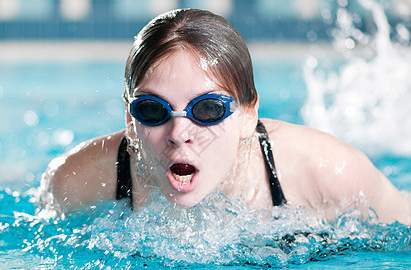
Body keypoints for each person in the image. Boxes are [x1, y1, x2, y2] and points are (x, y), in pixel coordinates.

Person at [39, 8, 410, 224]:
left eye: (208, 109)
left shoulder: (332, 174)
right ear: (128, 117)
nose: (179, 132)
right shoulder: (75, 183)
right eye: (152, 110)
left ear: (249, 114)